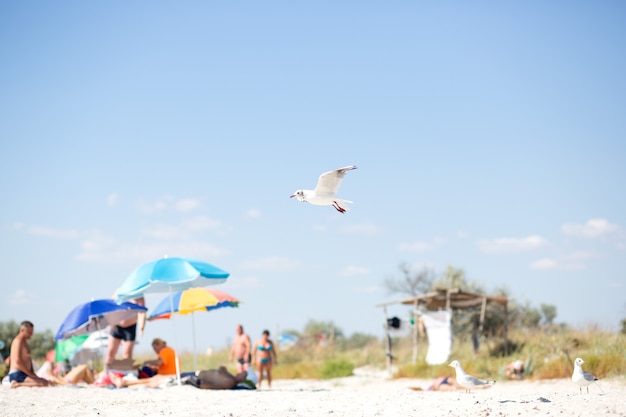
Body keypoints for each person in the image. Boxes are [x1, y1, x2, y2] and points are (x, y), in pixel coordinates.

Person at [108, 338, 177, 388]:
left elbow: (160, 362)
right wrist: (156, 369)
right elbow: (166, 364)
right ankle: (126, 383)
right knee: (150, 381)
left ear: (159, 344)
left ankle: (125, 383)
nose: (155, 351)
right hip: (169, 374)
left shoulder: (164, 351)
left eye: (155, 348)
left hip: (168, 375)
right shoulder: (170, 350)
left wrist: (147, 362)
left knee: (150, 381)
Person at [105, 295, 146, 369]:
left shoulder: (138, 296)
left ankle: (126, 373)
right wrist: (111, 323)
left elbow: (142, 312)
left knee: (127, 354)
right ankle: (107, 372)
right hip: (116, 326)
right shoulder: (119, 292)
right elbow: (111, 308)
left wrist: (141, 327)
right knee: (111, 352)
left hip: (130, 328)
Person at [8, 321, 53, 388]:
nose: (31, 335)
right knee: (43, 383)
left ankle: (19, 383)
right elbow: (17, 361)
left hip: (24, 373)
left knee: (44, 381)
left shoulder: (24, 342)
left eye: (31, 333)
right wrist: (29, 374)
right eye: (29, 333)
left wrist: (32, 373)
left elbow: (28, 359)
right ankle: (17, 384)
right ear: (22, 330)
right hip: (17, 373)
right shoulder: (17, 341)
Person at [184, 366, 249, 390]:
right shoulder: (231, 377)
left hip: (197, 377)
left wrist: (201, 384)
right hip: (199, 374)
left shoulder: (230, 382)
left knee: (179, 377)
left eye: (243, 374)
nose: (240, 373)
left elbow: (215, 386)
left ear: (242, 379)